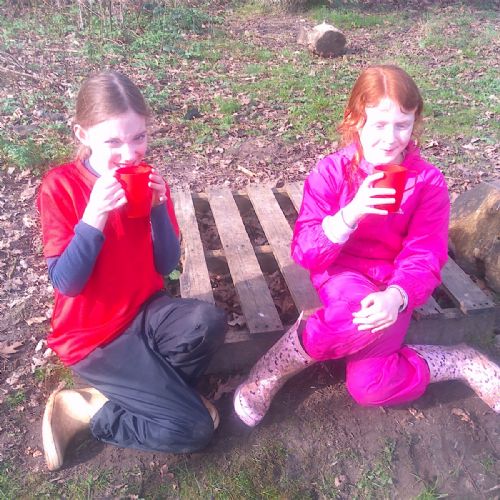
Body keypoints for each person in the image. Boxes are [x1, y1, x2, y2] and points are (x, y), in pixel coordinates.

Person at [234, 64, 499, 426]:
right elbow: (306, 252)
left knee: (371, 388)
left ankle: (459, 360)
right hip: (342, 275)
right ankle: (272, 370)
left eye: (402, 125)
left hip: (395, 284)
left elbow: (424, 253)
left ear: (415, 123)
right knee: (352, 315)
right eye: (378, 124)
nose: (390, 138)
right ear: (356, 120)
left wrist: (398, 296)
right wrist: (350, 214)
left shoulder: (428, 182)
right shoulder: (331, 173)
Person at [38, 70, 227, 471]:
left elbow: (166, 265)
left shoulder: (148, 180)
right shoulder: (61, 186)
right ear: (83, 134)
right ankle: (92, 415)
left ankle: (131, 397)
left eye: (138, 137)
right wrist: (93, 217)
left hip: (144, 311)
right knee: (194, 429)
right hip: (94, 338)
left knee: (207, 322)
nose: (129, 154)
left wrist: (158, 209)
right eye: (113, 141)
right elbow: (67, 282)